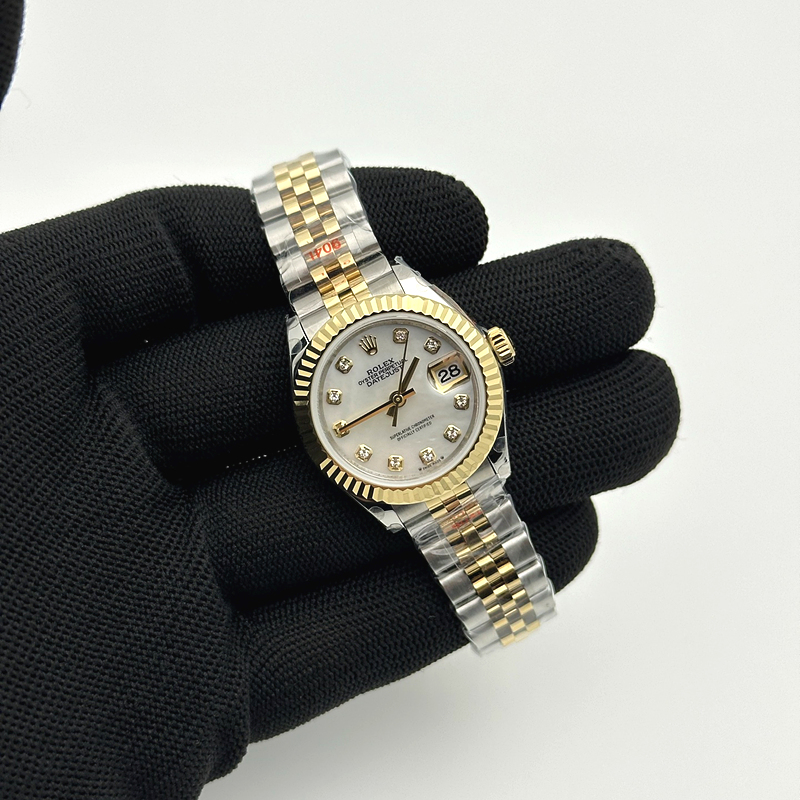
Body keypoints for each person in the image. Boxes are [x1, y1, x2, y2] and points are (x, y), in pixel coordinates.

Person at [0, 5, 679, 797]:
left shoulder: (445, 386)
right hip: (380, 440)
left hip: (432, 451)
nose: (399, 402)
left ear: (487, 349)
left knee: (518, 571)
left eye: (410, 389)